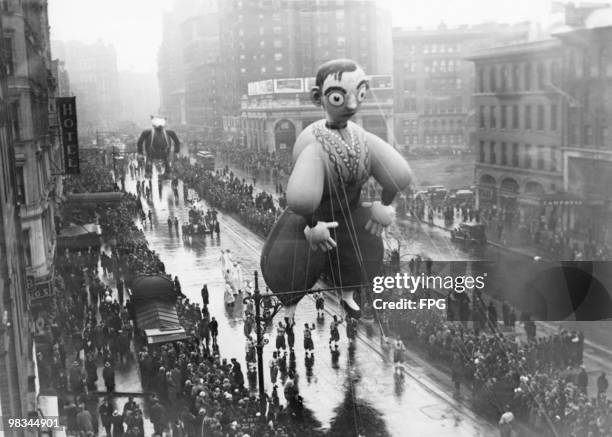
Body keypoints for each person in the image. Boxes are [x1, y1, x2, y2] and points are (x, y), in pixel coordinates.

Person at [261, 59, 413, 323]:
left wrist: (385, 205)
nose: (352, 105)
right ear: (319, 97)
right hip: (315, 217)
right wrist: (311, 224)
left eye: (360, 94)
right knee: (297, 259)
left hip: (351, 211)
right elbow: (302, 196)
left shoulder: (361, 136)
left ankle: (349, 294)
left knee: (363, 251)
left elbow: (398, 174)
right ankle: (290, 301)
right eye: (338, 96)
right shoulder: (313, 139)